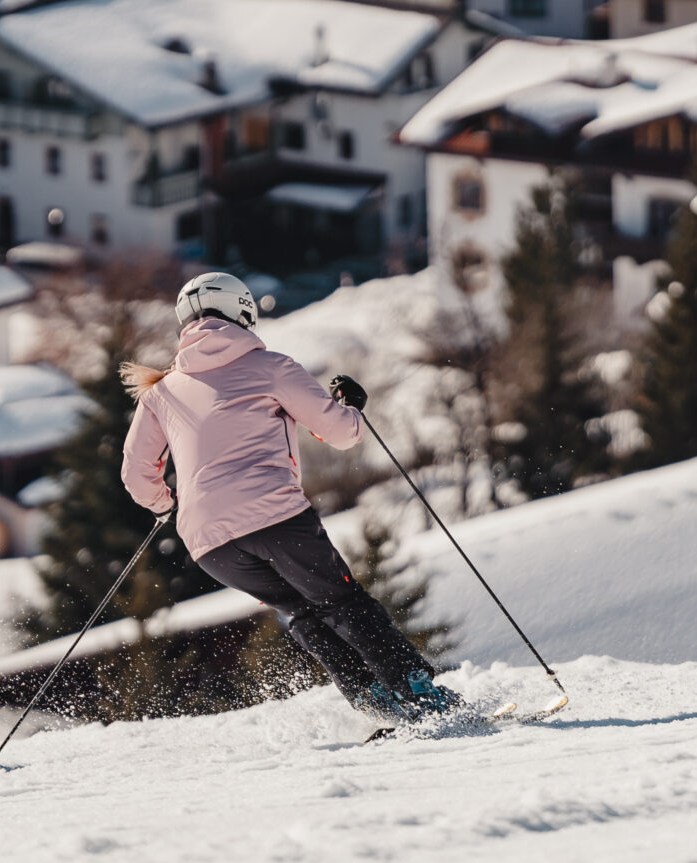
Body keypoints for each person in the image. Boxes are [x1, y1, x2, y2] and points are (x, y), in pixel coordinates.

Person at [120, 270, 461, 722]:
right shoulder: (271, 367)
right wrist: (352, 409)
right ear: (242, 312)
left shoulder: (160, 392)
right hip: (275, 518)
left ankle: (375, 702)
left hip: (209, 543)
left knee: (301, 611)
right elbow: (339, 433)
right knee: (343, 602)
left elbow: (136, 474)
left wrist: (167, 505)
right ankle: (420, 697)